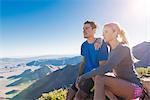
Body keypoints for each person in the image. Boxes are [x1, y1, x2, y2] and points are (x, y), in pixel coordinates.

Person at [76, 22, 143, 100]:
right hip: (123, 84)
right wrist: (99, 40)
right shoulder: (111, 49)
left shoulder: (123, 48)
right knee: (95, 75)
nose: (103, 34)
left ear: (115, 33)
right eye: (103, 32)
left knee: (99, 78)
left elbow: (106, 68)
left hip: (136, 89)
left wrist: (83, 77)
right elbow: (101, 39)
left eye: (106, 31)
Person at [66, 21, 108, 100]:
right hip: (84, 75)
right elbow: (83, 62)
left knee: (78, 97)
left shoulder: (101, 44)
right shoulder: (83, 45)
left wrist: (95, 81)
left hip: (94, 76)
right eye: (83, 29)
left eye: (87, 28)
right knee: (69, 94)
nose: (84, 31)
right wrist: (79, 76)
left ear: (94, 30)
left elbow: (102, 66)